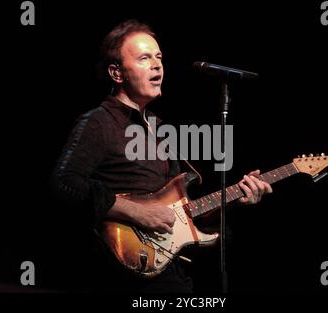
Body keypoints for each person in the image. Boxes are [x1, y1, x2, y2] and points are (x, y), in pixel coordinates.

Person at [51, 19, 272, 292]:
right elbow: (64, 184)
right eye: (144, 58)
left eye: (159, 57)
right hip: (118, 272)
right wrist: (137, 213)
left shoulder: (160, 131)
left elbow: (184, 214)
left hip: (169, 270)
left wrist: (237, 198)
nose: (157, 65)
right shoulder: (99, 122)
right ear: (116, 73)